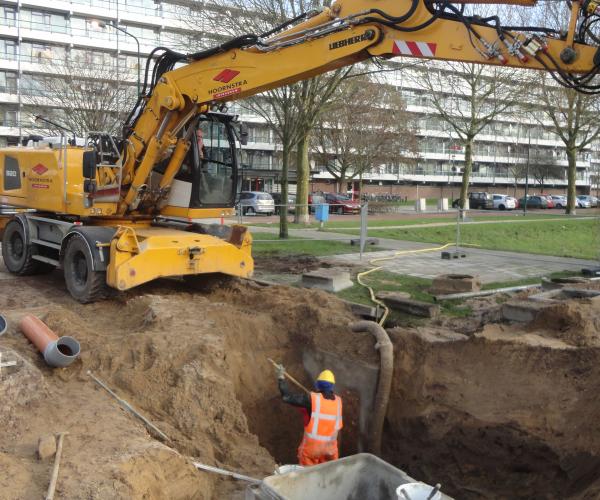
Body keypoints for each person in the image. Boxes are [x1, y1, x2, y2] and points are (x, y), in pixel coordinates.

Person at [276, 365, 343, 466]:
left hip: (312, 450)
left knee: (308, 475)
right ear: (332, 386)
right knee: (327, 476)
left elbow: (287, 397)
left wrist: (281, 378)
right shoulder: (338, 402)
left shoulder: (312, 400)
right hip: (330, 451)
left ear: (318, 385)